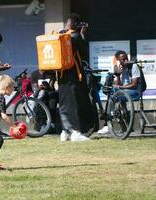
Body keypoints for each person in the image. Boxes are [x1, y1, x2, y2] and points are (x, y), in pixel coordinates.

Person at [58, 14, 96, 142]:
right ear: (75, 24)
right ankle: (76, 132)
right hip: (74, 74)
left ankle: (64, 132)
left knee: (64, 103)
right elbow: (84, 52)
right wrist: (83, 34)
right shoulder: (74, 35)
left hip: (61, 75)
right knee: (76, 102)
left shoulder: (59, 35)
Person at [98, 50, 141, 134]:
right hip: (123, 92)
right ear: (118, 60)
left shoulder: (133, 66)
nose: (125, 61)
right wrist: (117, 75)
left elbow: (134, 85)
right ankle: (119, 120)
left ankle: (108, 119)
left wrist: (119, 87)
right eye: (122, 60)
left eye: (126, 58)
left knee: (115, 92)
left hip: (134, 92)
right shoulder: (120, 68)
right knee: (110, 90)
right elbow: (118, 84)